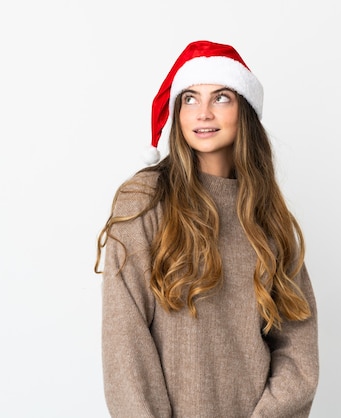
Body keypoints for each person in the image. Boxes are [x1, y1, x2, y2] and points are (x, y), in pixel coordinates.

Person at [95, 40, 319, 417]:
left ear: (244, 109)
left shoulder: (267, 215)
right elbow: (124, 343)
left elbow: (297, 351)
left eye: (221, 98)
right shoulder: (145, 200)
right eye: (190, 99)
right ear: (177, 111)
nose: (203, 113)